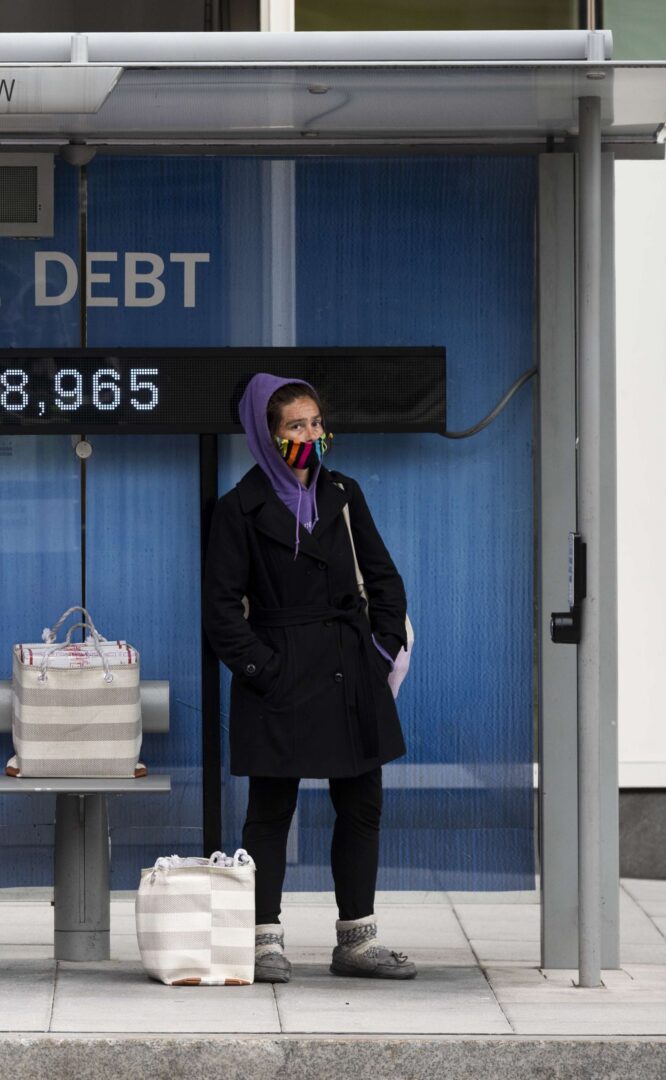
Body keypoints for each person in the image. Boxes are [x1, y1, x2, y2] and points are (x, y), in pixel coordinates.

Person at [203, 374, 415, 983]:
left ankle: (356, 941)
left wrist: (380, 650)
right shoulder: (239, 507)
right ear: (267, 434)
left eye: (315, 423)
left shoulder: (343, 494)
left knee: (362, 805)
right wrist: (264, 670)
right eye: (296, 426)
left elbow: (385, 579)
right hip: (280, 670)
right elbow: (220, 610)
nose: (310, 436)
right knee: (270, 810)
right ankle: (264, 940)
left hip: (352, 669)